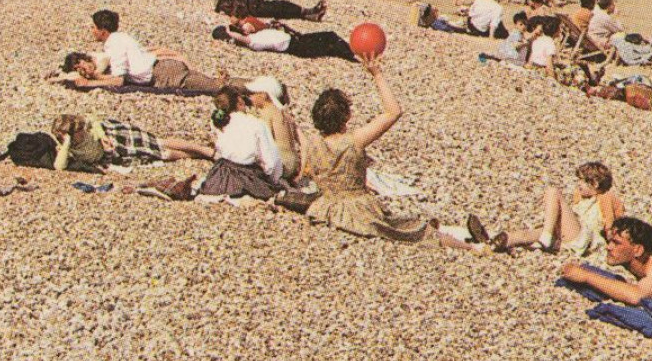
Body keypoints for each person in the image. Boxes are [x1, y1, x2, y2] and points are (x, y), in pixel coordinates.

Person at [302, 58, 469, 244]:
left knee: (406, 225)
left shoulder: (312, 142)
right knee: (414, 232)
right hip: (357, 211)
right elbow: (393, 112)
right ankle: (472, 247)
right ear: (347, 116)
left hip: (325, 208)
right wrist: (377, 74)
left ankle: (465, 237)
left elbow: (307, 171)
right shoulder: (354, 140)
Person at [559, 218, 652, 330]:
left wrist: (586, 276)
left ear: (638, 250)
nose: (608, 247)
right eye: (610, 241)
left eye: (616, 243)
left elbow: (636, 296)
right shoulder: (647, 262)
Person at [54, 10, 235, 94]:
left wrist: (89, 83)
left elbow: (118, 80)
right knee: (213, 83)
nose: (91, 31)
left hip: (163, 74)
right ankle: (246, 85)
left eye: (93, 28)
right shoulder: (120, 37)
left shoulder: (112, 44)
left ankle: (251, 89)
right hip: (165, 67)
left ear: (103, 30)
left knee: (218, 88)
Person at [491, 162, 625, 256]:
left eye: (582, 181)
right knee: (527, 235)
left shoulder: (605, 198)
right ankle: (496, 241)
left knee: (552, 192)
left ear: (594, 184)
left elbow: (611, 224)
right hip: (568, 236)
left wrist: (612, 243)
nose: (578, 184)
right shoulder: (582, 200)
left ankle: (546, 238)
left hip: (582, 237)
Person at [194, 85, 285, 201]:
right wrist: (273, 180)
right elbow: (271, 163)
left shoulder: (220, 124)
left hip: (220, 176)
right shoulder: (257, 124)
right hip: (246, 178)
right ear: (240, 102)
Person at [49, 113, 213, 173]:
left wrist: (100, 136)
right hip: (117, 152)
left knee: (158, 142)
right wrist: (67, 142)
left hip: (117, 135)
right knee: (163, 153)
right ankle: (195, 155)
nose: (82, 132)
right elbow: (59, 166)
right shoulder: (69, 149)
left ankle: (204, 150)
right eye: (77, 132)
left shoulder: (85, 128)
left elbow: (93, 120)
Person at [212, 17, 356, 61]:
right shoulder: (252, 42)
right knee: (329, 40)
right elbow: (241, 38)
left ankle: (351, 52)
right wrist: (229, 33)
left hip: (296, 41)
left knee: (329, 39)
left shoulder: (253, 37)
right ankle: (352, 54)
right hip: (296, 46)